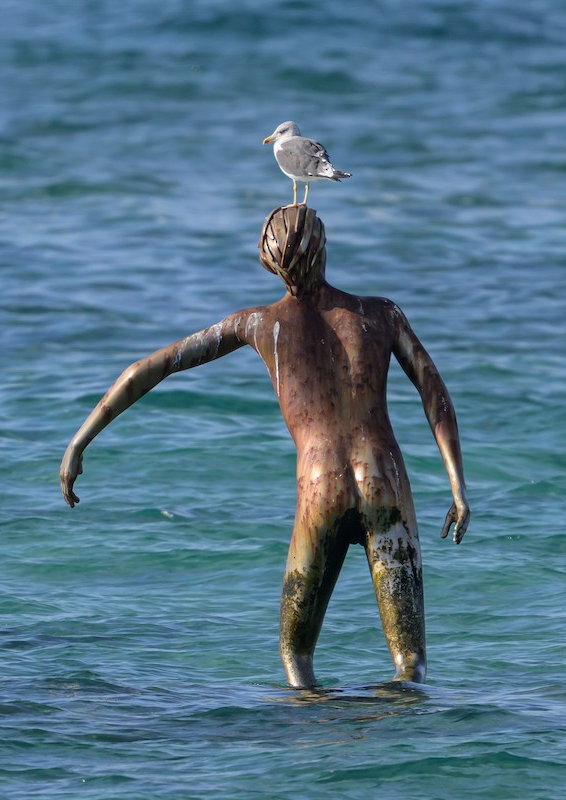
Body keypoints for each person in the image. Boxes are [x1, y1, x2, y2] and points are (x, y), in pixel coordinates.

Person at [60, 206, 470, 688]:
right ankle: (396, 725)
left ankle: (316, 728)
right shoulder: (381, 314)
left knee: (296, 656)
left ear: (270, 262)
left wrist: (80, 441)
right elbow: (433, 390)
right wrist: (458, 488)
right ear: (323, 249)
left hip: (320, 488)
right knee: (410, 663)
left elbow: (150, 368)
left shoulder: (258, 323)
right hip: (385, 481)